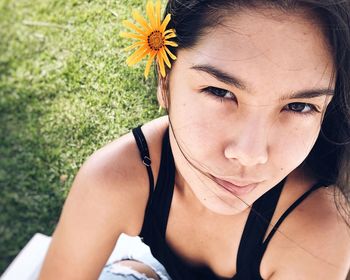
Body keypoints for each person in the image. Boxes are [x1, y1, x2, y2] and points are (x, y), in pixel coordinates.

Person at [39, 0, 350, 279]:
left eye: (299, 106)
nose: (249, 153)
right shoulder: (116, 179)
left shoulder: (319, 229)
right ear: (165, 81)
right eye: (220, 92)